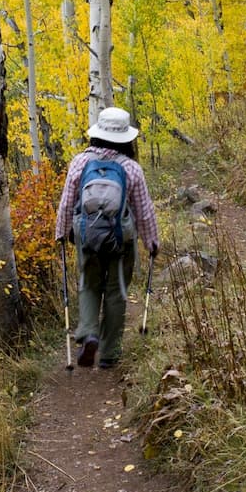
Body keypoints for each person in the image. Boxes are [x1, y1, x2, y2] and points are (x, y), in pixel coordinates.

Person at [55, 107, 160, 369]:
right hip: (120, 238)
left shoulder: (80, 162)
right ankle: (110, 353)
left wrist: (61, 231)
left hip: (86, 234)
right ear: (126, 138)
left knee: (89, 284)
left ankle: (89, 333)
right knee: (116, 291)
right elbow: (143, 210)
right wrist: (152, 242)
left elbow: (67, 203)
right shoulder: (132, 168)